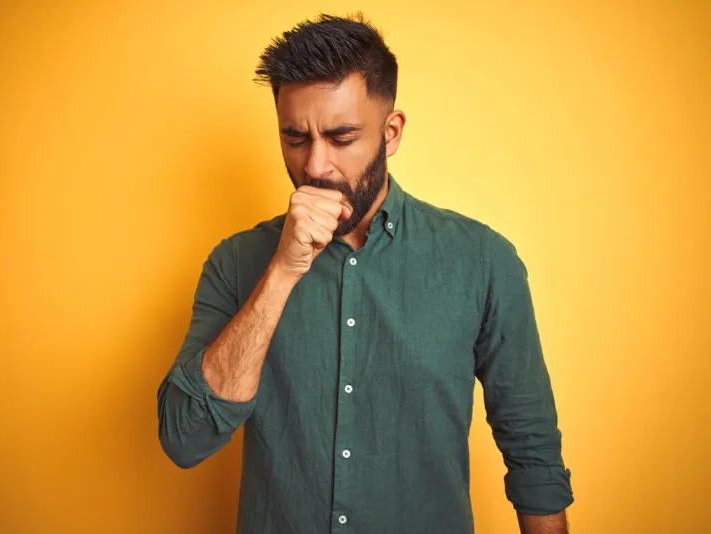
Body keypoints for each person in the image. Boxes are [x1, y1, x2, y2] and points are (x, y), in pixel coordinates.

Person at [157, 12, 574, 534]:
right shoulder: (236, 263)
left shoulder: (483, 261)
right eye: (295, 138)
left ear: (391, 132)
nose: (314, 166)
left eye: (342, 136)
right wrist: (282, 273)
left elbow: (532, 451)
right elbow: (186, 438)